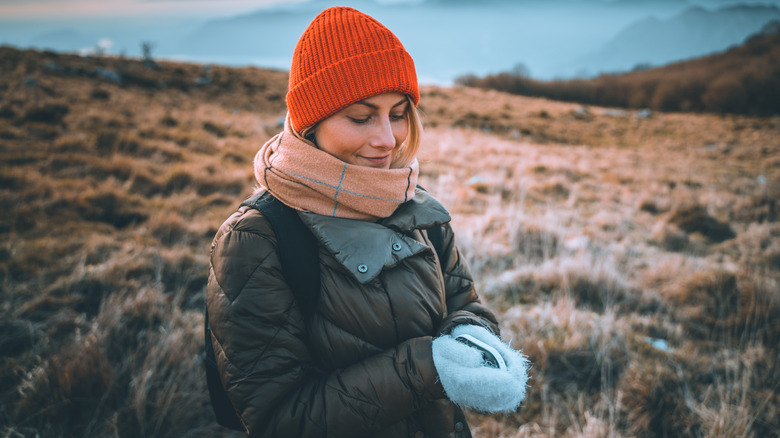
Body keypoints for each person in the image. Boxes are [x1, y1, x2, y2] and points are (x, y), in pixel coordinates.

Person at [206, 6, 530, 437]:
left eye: (397, 113)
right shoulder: (255, 239)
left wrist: (470, 339)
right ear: (310, 123)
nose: (387, 138)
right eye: (360, 117)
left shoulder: (414, 205)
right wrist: (426, 369)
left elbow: (464, 303)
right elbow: (276, 421)